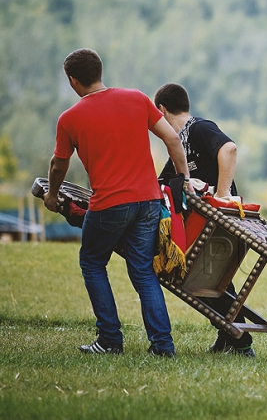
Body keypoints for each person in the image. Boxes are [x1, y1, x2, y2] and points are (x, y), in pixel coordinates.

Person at [44, 49, 191, 358]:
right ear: (99, 71)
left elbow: (59, 165)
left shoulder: (69, 119)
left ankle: (110, 340)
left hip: (109, 204)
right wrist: (184, 178)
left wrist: (52, 195)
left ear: (73, 81)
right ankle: (163, 347)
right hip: (148, 202)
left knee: (92, 262)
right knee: (142, 271)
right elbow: (173, 140)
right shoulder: (137, 98)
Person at [155, 82, 255, 357]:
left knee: (204, 280)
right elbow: (164, 181)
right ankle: (228, 337)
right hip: (205, 223)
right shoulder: (181, 142)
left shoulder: (198, 128)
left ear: (162, 110)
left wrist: (222, 195)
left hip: (217, 219)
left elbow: (230, 149)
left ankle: (241, 342)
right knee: (214, 281)